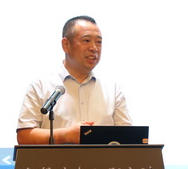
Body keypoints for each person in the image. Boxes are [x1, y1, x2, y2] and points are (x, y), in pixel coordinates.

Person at [16, 16, 132, 144]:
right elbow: (24, 137)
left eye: (99, 42)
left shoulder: (112, 89)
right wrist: (66, 135)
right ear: (66, 45)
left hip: (101, 158)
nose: (94, 48)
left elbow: (128, 138)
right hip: (56, 158)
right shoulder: (41, 85)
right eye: (86, 40)